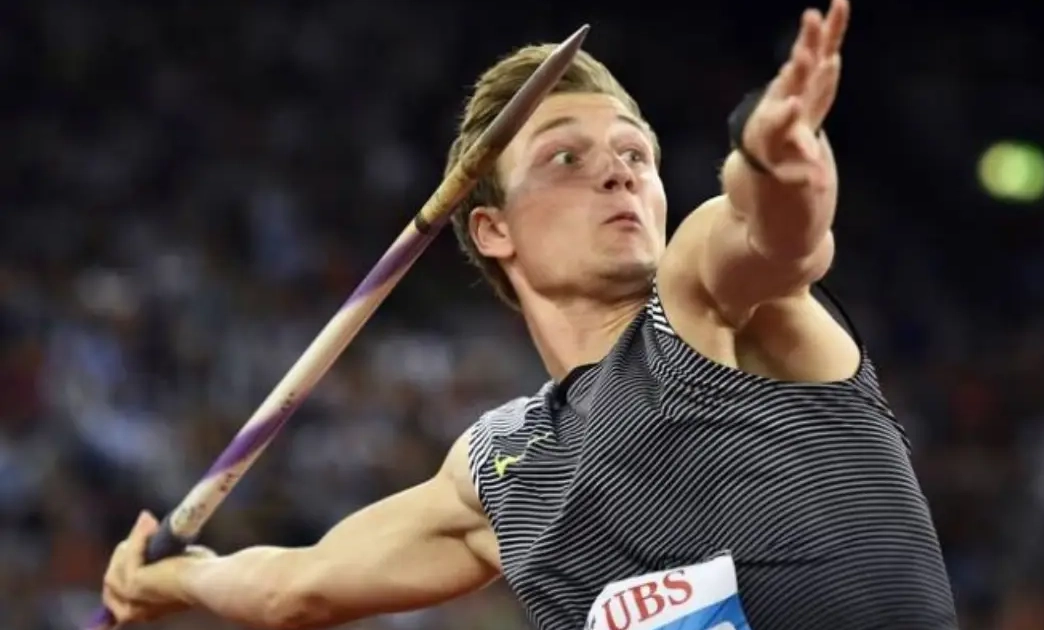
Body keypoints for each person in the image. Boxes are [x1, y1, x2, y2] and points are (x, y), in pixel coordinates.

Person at [101, 1, 959, 628]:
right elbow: (299, 588)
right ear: (493, 230)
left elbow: (777, 238)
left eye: (636, 154)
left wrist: (780, 161)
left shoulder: (709, 308)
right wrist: (171, 580)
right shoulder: (500, 472)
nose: (619, 173)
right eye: (565, 158)